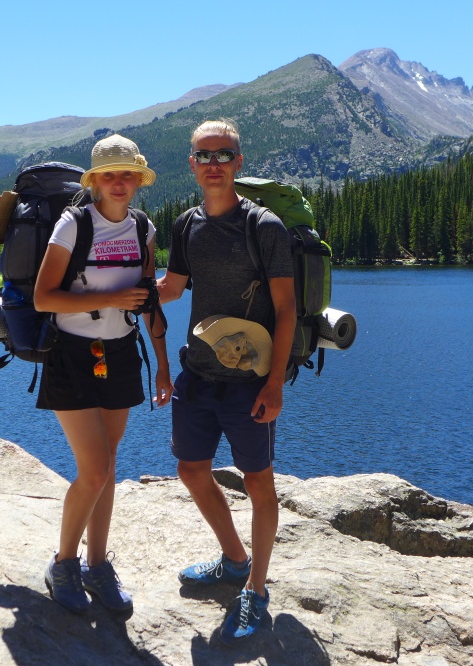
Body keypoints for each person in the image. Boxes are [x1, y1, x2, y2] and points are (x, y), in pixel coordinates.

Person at [157, 119, 295, 643]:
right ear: (191, 164)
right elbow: (172, 288)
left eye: (222, 155)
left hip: (249, 382)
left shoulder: (263, 227)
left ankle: (256, 589)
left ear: (238, 162)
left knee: (258, 482)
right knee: (191, 469)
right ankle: (235, 560)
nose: (213, 164)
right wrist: (109, 287)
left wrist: (274, 384)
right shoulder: (186, 225)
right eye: (203, 155)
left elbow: (286, 309)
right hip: (197, 374)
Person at [33, 134, 172, 614]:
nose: (118, 182)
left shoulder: (143, 229)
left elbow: (148, 301)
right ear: (94, 181)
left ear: (138, 180)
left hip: (122, 354)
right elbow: (44, 298)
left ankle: (97, 566)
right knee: (93, 470)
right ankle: (63, 564)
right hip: (72, 355)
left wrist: (163, 365)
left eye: (127, 174)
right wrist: (109, 298)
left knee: (107, 467)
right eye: (109, 175)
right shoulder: (73, 225)